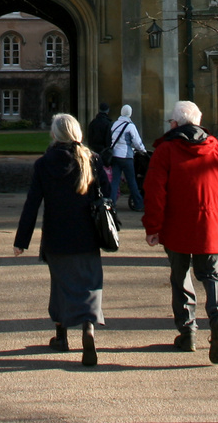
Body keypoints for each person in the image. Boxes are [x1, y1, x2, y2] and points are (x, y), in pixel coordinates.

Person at [142, 100, 218, 364]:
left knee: (180, 276)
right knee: (213, 275)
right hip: (210, 225)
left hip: (176, 226)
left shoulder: (166, 150)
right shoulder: (216, 148)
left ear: (175, 124)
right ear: (198, 122)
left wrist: (153, 227)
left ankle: (188, 333)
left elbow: (154, 192)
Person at [13, 113, 106, 367]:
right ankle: (88, 327)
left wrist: (22, 240)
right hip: (88, 234)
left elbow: (32, 204)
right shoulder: (91, 160)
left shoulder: (44, 164)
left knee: (61, 284)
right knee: (90, 282)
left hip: (57, 236)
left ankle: (62, 335)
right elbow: (107, 193)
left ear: (54, 135)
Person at [109, 104, 146, 211]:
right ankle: (139, 203)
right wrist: (143, 150)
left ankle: (112, 203)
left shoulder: (114, 124)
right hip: (126, 156)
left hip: (115, 155)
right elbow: (137, 142)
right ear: (130, 113)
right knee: (132, 181)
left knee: (115, 181)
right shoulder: (130, 126)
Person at [85, 102, 115, 202]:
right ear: (107, 111)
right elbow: (108, 140)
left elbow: (89, 139)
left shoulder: (93, 123)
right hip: (103, 152)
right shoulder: (108, 123)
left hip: (93, 151)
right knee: (103, 176)